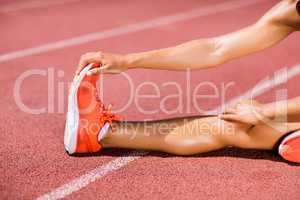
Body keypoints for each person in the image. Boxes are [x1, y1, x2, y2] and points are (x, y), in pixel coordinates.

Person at [64, 0, 300, 163]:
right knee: (242, 122)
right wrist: (128, 60)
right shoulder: (292, 9)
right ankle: (98, 133)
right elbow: (215, 49)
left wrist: (268, 111)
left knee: (239, 127)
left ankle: (100, 134)